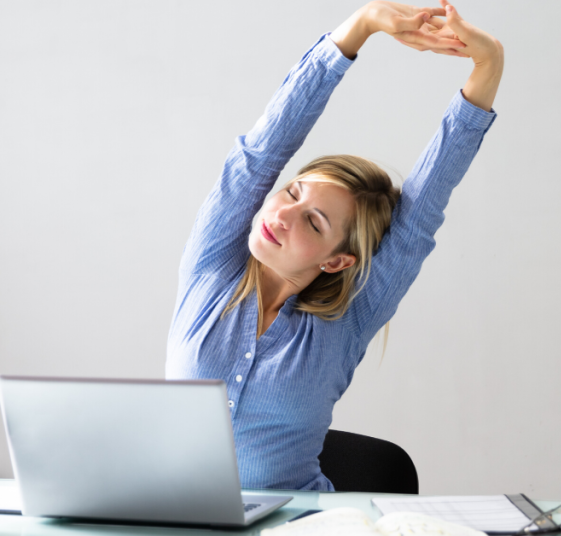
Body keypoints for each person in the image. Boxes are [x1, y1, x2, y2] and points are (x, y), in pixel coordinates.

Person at [166, 0, 503, 491]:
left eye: (314, 221)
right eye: (292, 192)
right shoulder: (211, 267)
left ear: (338, 260)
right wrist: (360, 27)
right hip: (173, 519)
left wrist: (489, 62)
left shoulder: (348, 321)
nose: (281, 214)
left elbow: (420, 215)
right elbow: (262, 152)